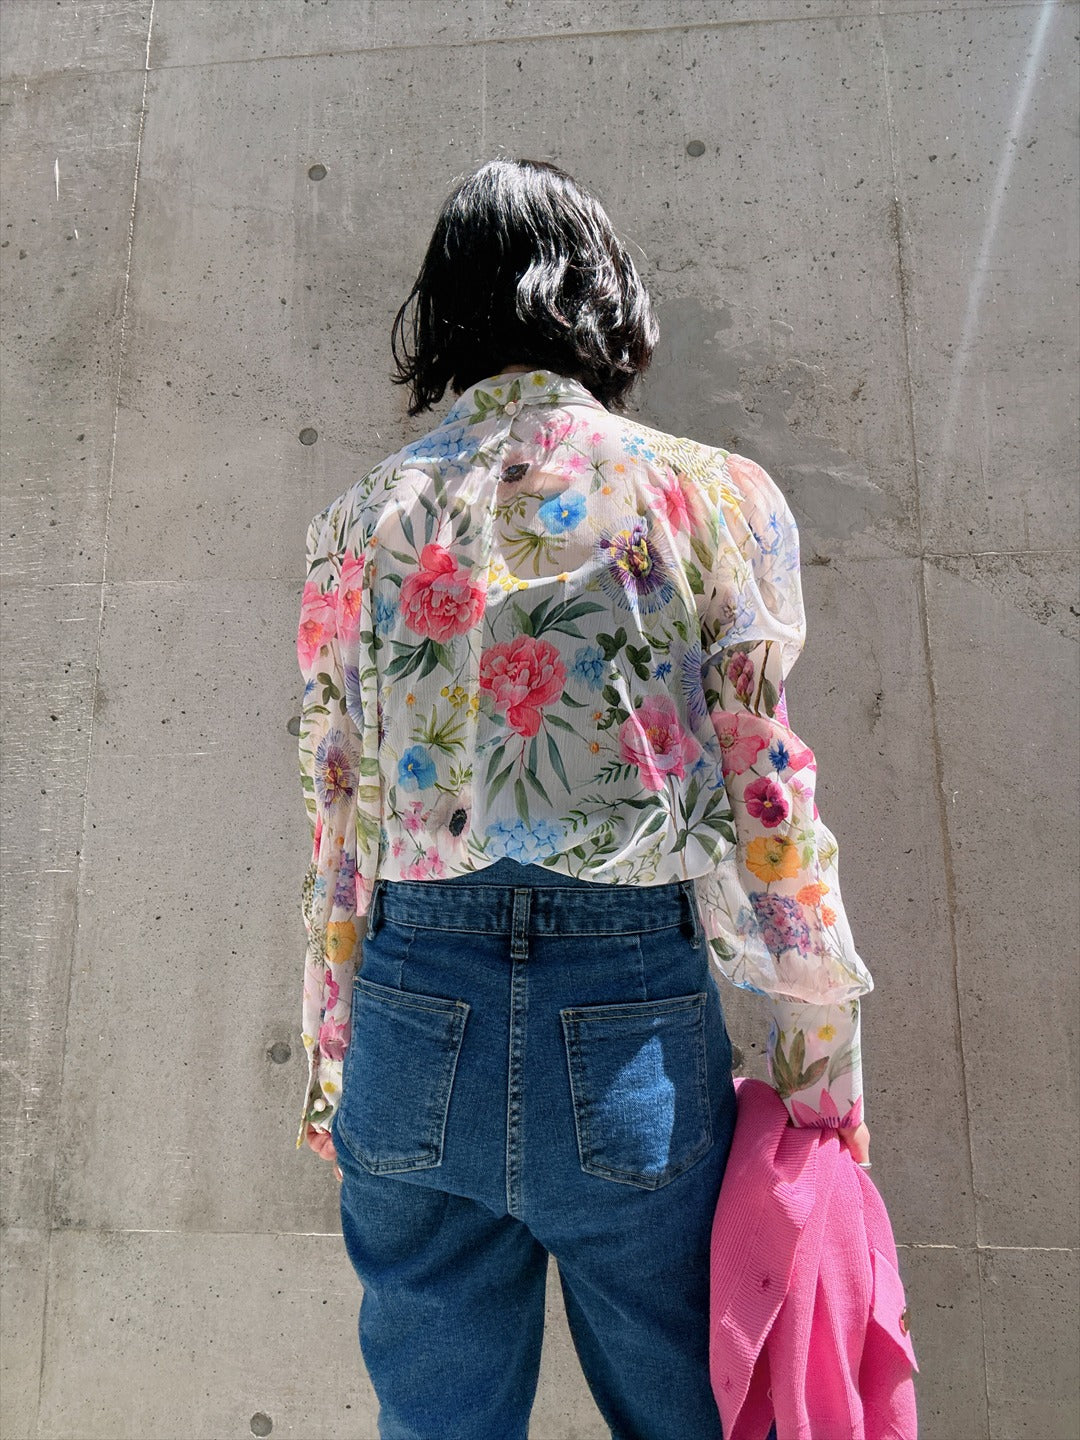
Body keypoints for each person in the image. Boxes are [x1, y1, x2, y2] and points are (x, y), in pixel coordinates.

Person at [295, 157, 873, 1440]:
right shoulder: (711, 495)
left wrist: (338, 1055)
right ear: (603, 292)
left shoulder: (357, 523)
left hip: (411, 1013)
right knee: (687, 1413)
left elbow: (338, 812)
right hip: (631, 1038)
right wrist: (820, 1063)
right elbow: (770, 795)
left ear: (441, 307)